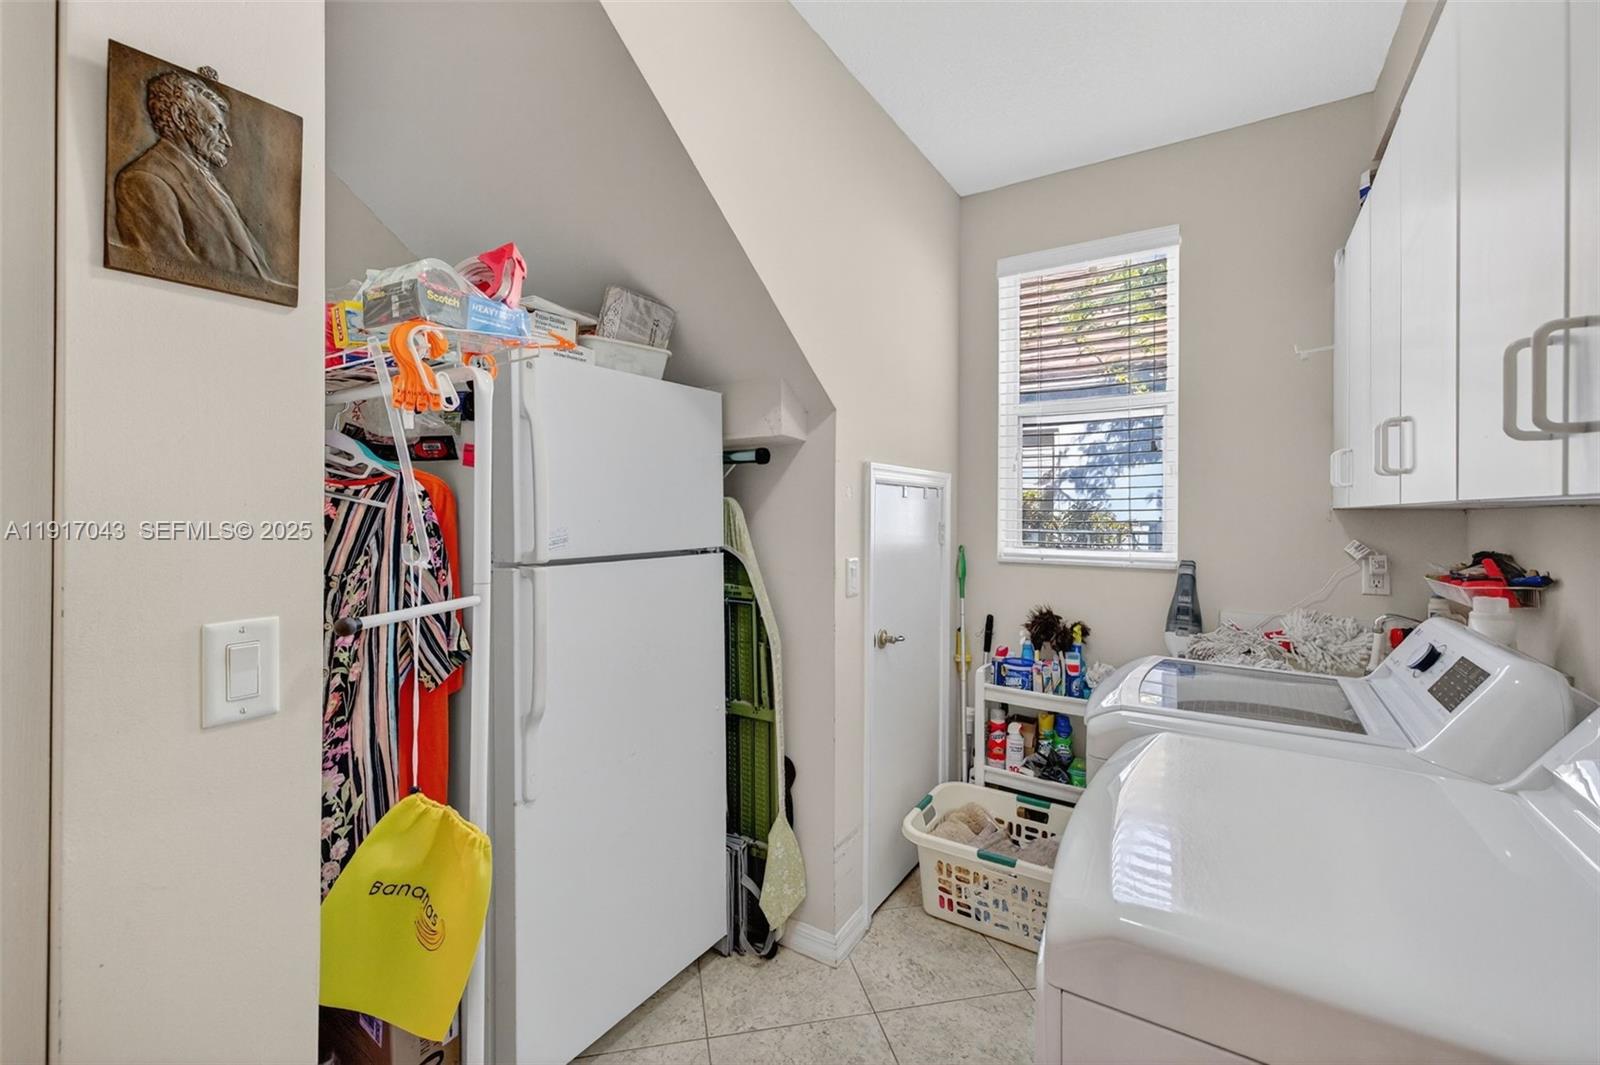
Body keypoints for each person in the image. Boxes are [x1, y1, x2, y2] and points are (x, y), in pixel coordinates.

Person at [112, 70, 279, 283]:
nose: (226, 141)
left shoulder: (202, 176)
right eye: (216, 126)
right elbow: (172, 271)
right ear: (179, 117)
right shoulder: (144, 181)